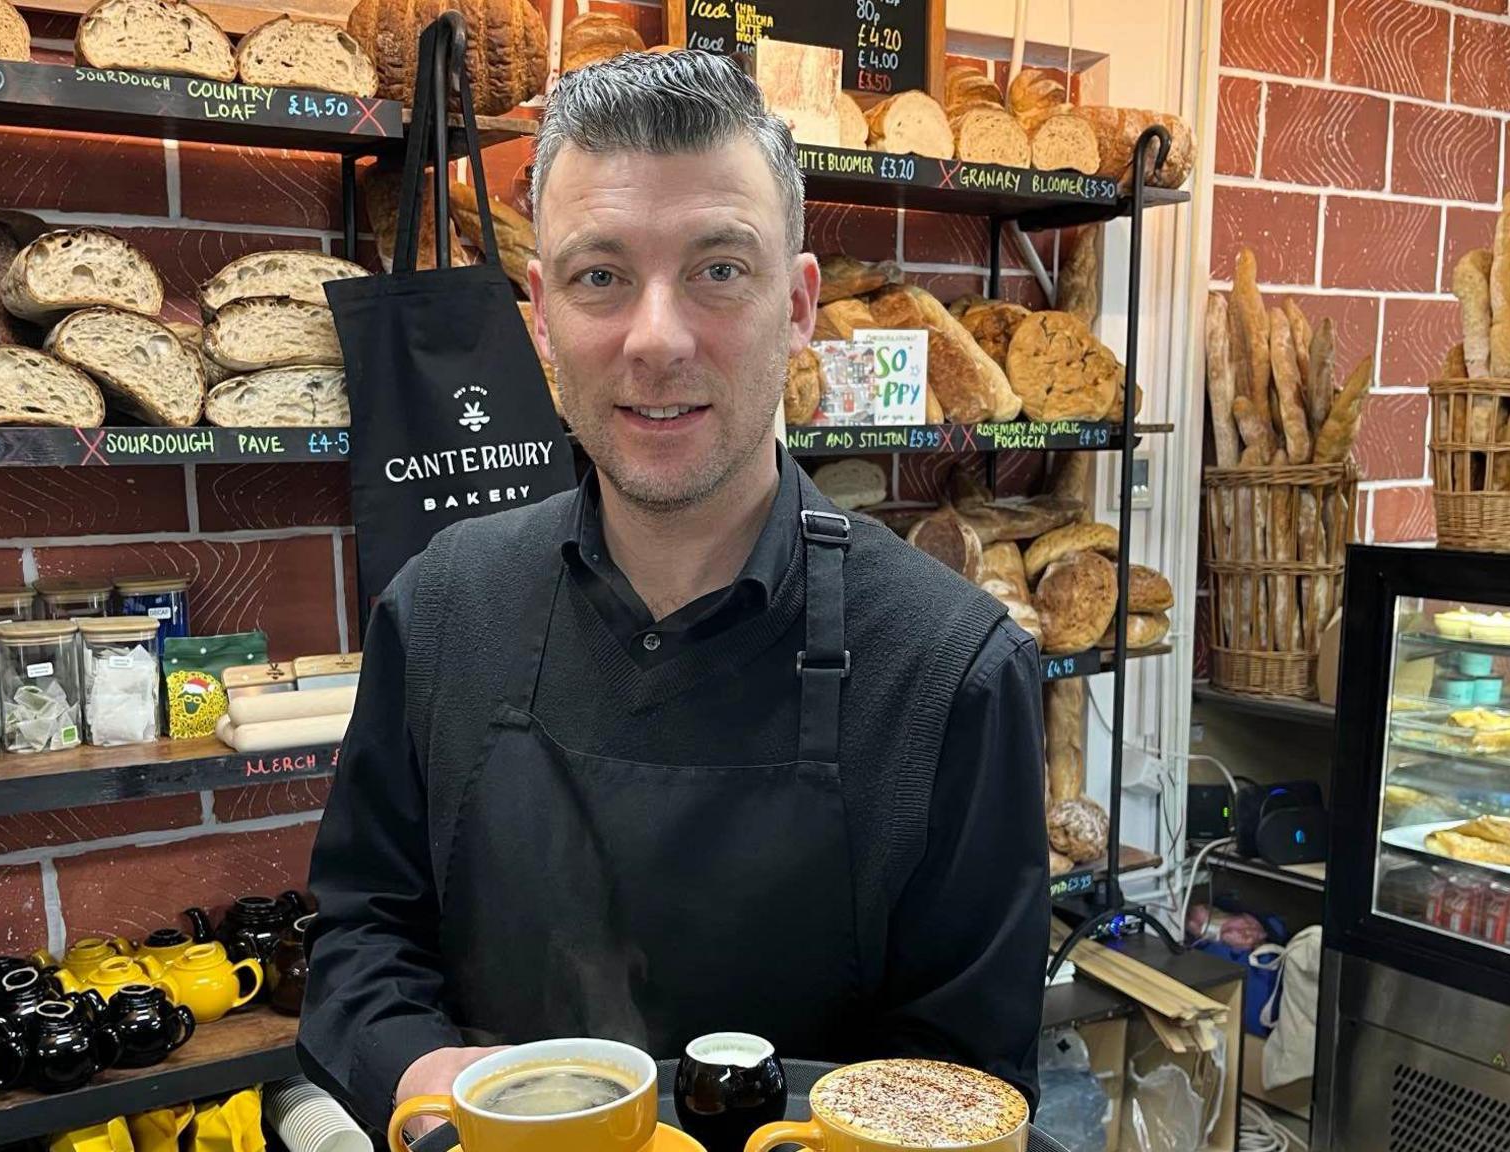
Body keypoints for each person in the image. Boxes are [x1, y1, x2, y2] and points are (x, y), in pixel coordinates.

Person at [299, 48, 1049, 1132]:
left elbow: (968, 1084)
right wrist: (433, 1091)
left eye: (718, 269)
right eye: (600, 275)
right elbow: (363, 939)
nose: (656, 339)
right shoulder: (440, 609)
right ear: (541, 318)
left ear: (795, 306)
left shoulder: (952, 670)